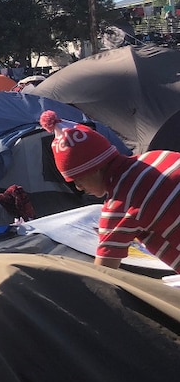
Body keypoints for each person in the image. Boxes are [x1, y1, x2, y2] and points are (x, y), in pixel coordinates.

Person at [39, 110, 180, 273]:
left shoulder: (120, 206)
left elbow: (103, 274)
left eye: (78, 180)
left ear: (94, 169)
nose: (79, 188)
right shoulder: (159, 156)